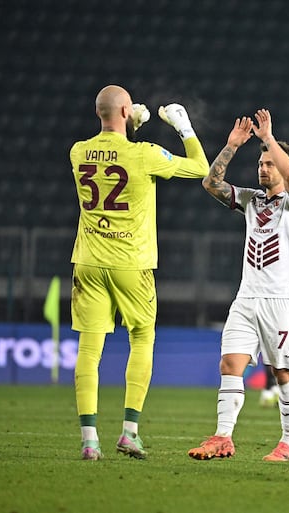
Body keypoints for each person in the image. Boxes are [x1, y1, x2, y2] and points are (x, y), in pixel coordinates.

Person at [70, 85, 210, 460]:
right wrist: (183, 127)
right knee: (142, 338)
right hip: (132, 263)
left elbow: (109, 150)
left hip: (88, 260)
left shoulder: (78, 151)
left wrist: (130, 124)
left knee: (89, 349)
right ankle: (129, 432)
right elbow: (201, 168)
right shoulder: (144, 154)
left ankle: (89, 440)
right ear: (127, 111)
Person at [187, 110, 289, 463]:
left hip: (282, 300)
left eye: (270, 163)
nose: (263, 168)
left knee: (284, 372)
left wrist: (270, 140)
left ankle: (287, 444)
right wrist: (230, 147)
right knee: (230, 364)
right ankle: (223, 437)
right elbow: (210, 184)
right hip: (247, 298)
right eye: (260, 163)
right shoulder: (251, 200)